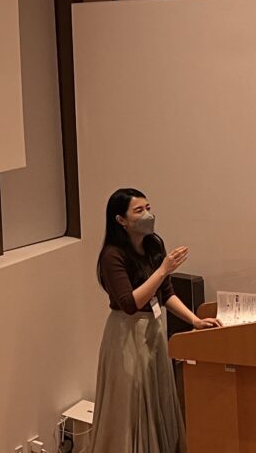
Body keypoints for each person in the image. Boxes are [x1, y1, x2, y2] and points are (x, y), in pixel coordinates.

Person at [88, 188, 222, 453]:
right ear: (121, 220)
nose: (148, 215)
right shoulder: (112, 255)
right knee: (132, 403)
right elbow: (130, 303)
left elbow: (166, 293)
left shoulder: (154, 245)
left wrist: (194, 320)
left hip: (154, 330)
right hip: (127, 334)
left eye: (148, 208)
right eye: (139, 211)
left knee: (158, 396)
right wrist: (163, 270)